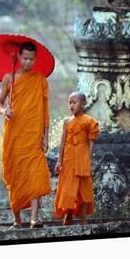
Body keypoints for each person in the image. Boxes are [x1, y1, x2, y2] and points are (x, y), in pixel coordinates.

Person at [0, 41, 51, 229]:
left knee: (36, 174)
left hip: (34, 135)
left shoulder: (40, 80)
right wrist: (4, 111)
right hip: (14, 134)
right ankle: (17, 219)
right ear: (18, 57)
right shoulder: (8, 78)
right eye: (25, 58)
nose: (28, 62)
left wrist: (46, 136)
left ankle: (35, 217)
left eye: (32, 59)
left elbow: (44, 111)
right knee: (16, 174)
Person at [54, 91, 99, 225]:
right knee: (68, 189)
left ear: (83, 103)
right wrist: (58, 161)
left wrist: (88, 159)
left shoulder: (90, 121)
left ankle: (83, 219)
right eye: (70, 103)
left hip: (82, 158)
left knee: (84, 190)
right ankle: (68, 215)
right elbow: (62, 142)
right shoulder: (67, 121)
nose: (71, 105)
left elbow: (91, 142)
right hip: (68, 159)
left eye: (74, 102)